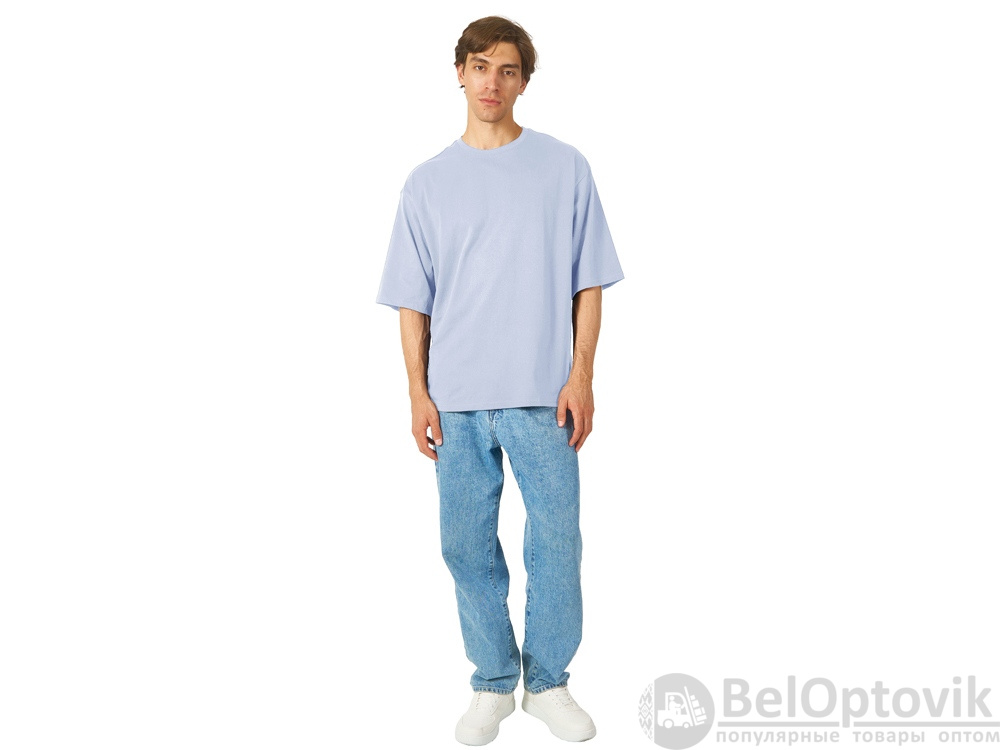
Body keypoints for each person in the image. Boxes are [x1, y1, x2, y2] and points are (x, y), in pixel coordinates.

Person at [376, 15, 624, 746]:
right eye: (480, 66)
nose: (493, 82)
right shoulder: (426, 183)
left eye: (508, 70)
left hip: (544, 396)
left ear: (524, 82)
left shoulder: (564, 168)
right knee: (466, 547)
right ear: (459, 73)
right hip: (455, 400)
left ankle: (547, 683)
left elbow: (588, 282)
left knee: (557, 544)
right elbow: (413, 301)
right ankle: (491, 681)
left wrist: (582, 375)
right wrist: (417, 393)